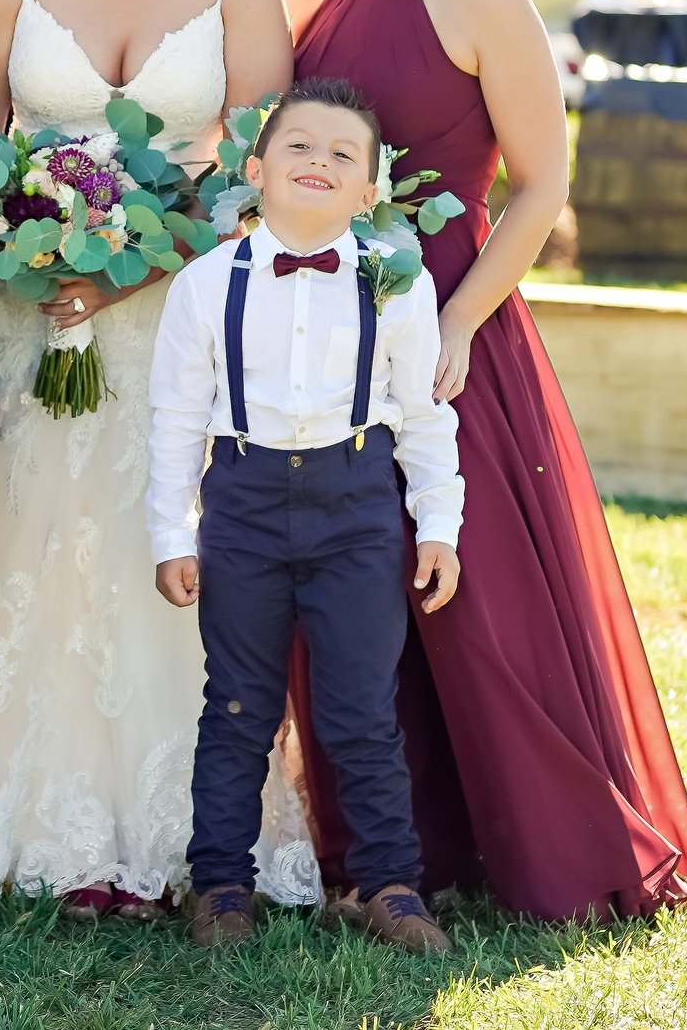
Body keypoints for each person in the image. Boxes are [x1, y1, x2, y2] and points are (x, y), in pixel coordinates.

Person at [284, 0, 687, 920]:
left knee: (472, 589)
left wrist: (461, 321)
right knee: (342, 571)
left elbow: (538, 184)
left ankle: (544, 838)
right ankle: (387, 838)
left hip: (446, 317)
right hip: (319, 317)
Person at [0, 0, 300, 919]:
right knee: (31, 546)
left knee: (165, 550)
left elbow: (257, 172)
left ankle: (183, 833)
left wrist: (130, 272)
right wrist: (34, 267)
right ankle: (28, 823)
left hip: (175, 316)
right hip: (26, 313)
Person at [146, 77, 463, 955]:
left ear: (371, 190)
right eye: (299, 146)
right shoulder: (206, 286)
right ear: (255, 167)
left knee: (361, 707)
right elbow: (175, 418)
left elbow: (426, 416)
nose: (318, 161)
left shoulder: (398, 285)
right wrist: (173, 532)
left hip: (358, 509)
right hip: (242, 508)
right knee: (240, 703)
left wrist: (439, 524)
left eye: (342, 153)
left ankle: (389, 883)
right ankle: (221, 884)